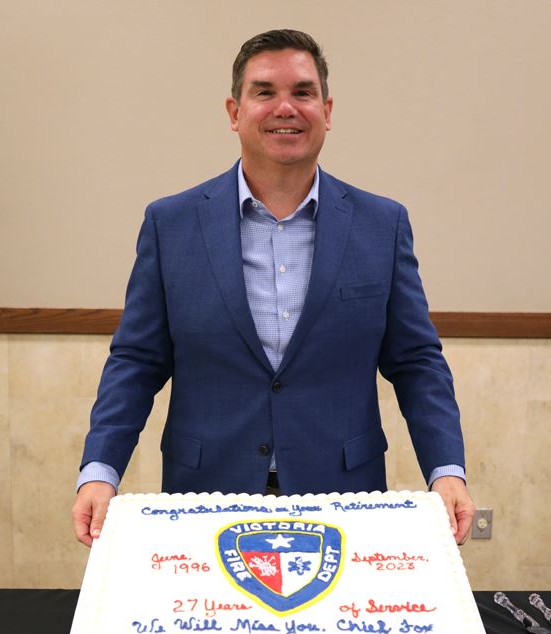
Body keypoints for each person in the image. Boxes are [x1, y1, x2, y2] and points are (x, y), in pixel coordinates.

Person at [72, 29, 475, 548]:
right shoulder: (171, 224)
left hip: (343, 500)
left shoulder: (382, 224)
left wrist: (446, 470)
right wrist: (100, 471)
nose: (286, 107)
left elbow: (417, 360)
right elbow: (136, 360)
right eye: (264, 92)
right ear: (234, 111)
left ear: (326, 110)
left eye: (303, 92)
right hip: (206, 498)